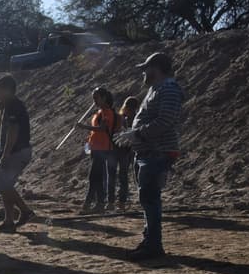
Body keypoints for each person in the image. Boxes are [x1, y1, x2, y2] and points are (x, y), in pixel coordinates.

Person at [116, 52, 184, 259]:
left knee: (150, 199)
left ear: (156, 68)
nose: (144, 72)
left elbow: (165, 121)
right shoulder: (157, 89)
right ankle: (150, 241)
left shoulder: (169, 89)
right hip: (148, 152)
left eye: (146, 68)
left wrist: (136, 133)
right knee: (147, 198)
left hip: (156, 152)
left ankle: (153, 245)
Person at [0, 74, 36, 232]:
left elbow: (13, 131)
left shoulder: (12, 105)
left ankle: (25, 211)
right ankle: (9, 220)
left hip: (16, 151)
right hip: (16, 151)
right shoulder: (9, 105)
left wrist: (6, 154)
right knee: (4, 186)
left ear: (8, 90)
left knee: (2, 184)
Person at [74, 87, 118, 211]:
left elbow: (103, 129)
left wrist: (84, 127)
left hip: (103, 149)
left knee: (94, 176)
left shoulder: (106, 112)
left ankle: (94, 203)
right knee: (96, 176)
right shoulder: (100, 112)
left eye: (96, 98)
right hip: (97, 148)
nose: (94, 101)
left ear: (104, 98)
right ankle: (95, 203)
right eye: (93, 98)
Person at [114, 96, 139, 208]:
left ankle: (122, 201)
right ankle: (122, 201)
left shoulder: (132, 118)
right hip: (129, 149)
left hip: (129, 150)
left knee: (125, 175)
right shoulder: (134, 117)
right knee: (127, 175)